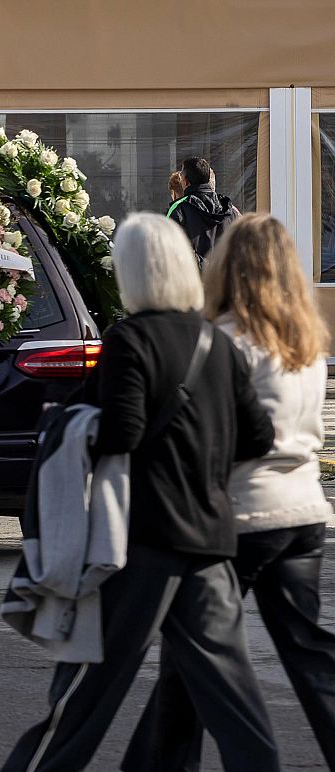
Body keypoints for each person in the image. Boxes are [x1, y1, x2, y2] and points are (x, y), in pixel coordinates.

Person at [0, 212, 278, 772]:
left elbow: (122, 431)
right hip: (210, 541)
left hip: (142, 544)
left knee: (87, 688)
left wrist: (69, 426)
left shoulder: (129, 339)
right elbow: (259, 436)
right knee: (233, 697)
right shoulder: (217, 342)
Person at [122, 213, 335, 772]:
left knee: (195, 656)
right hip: (305, 512)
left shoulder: (223, 340)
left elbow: (217, 435)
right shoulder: (307, 344)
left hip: (239, 516)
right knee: (308, 650)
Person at [166, 158, 239, 262]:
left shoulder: (179, 209)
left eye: (181, 177)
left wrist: (205, 268)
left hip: (192, 277)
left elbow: (171, 250)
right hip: (225, 276)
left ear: (186, 182)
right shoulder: (229, 209)